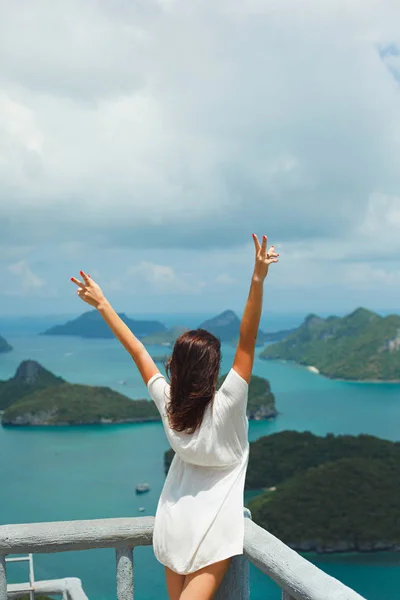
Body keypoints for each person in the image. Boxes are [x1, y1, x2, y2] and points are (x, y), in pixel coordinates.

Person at [70, 234, 279, 600]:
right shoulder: (229, 404)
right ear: (213, 371)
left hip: (173, 521)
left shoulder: (168, 403)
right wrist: (257, 278)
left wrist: (102, 303)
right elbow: (248, 339)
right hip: (214, 530)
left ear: (176, 368)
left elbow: (136, 349)